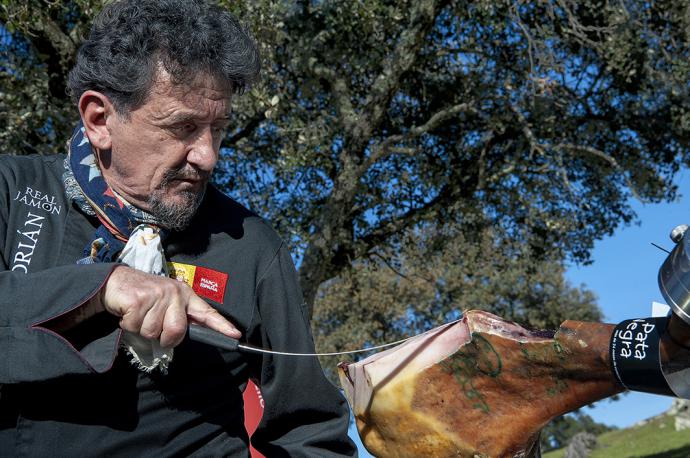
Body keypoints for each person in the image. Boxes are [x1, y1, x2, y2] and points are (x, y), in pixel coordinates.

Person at [0, 0, 357, 456]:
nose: (207, 156)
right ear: (99, 119)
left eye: (219, 128)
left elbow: (312, 432)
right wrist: (98, 290)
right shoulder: (12, 193)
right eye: (183, 127)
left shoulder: (252, 246)